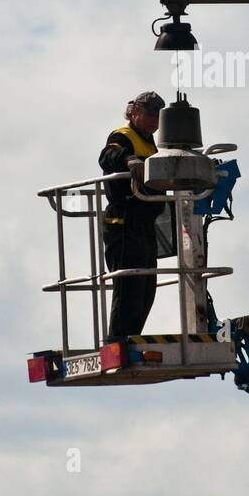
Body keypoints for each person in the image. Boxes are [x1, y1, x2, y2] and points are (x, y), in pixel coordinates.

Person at [98, 92, 166, 338]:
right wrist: (129, 159)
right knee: (129, 287)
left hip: (144, 225)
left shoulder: (151, 143)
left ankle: (131, 338)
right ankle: (118, 341)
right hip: (123, 223)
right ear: (134, 112)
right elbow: (107, 155)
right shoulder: (122, 136)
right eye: (149, 113)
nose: (153, 120)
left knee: (147, 287)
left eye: (157, 115)